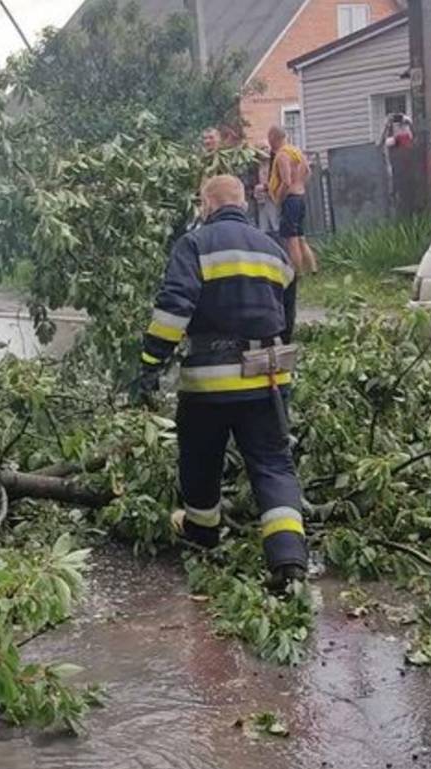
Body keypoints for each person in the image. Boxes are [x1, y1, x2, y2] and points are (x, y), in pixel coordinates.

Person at [132, 175, 311, 591]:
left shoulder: (194, 245)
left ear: (205, 205)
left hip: (209, 385)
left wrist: (150, 365)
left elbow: (173, 312)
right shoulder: (274, 251)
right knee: (272, 463)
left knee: (201, 459)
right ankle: (288, 559)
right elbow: (287, 320)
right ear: (244, 203)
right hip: (267, 377)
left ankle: (203, 533)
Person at [265, 125, 315, 277]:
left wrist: (279, 199)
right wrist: (300, 185)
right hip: (300, 197)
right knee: (300, 236)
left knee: (291, 239)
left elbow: (286, 181)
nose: (269, 143)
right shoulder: (296, 152)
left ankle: (298, 273)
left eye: (269, 139)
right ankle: (312, 269)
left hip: (290, 199)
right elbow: (308, 171)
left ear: (274, 138)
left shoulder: (282, 155)